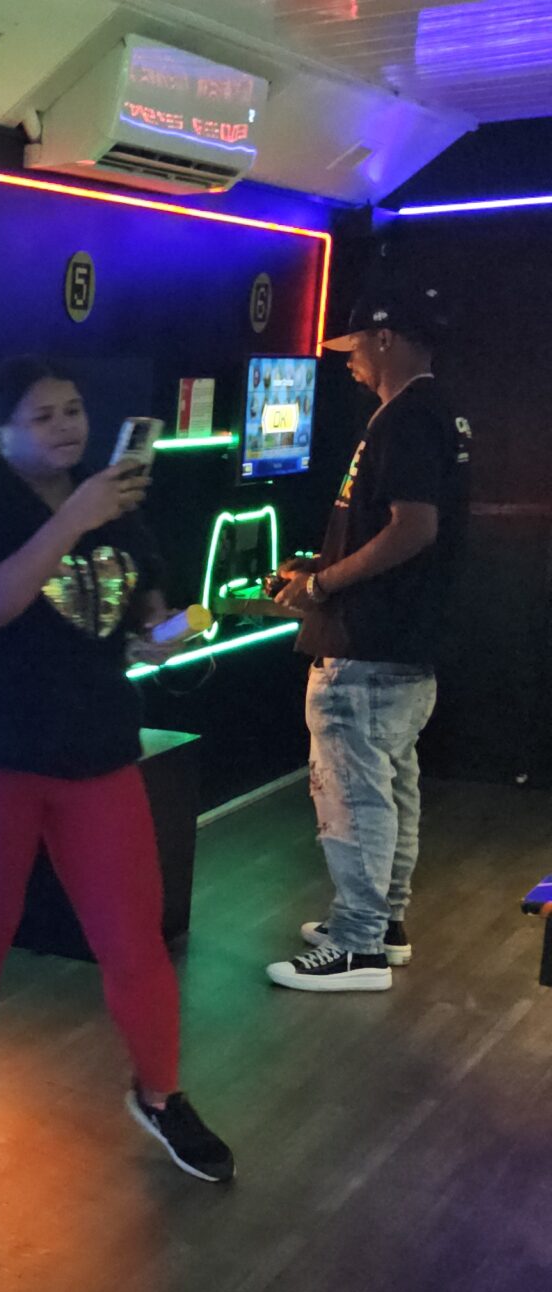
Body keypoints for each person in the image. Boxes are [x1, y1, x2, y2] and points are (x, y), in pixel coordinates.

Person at [0, 355, 236, 1184]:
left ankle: (161, 1094)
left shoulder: (118, 507)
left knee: (134, 937)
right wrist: (75, 518)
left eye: (74, 409)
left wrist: (187, 624)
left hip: (99, 753)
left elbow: (149, 623)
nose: (67, 426)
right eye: (44, 415)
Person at [268, 285, 470, 995]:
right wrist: (320, 567)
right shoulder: (434, 411)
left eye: (353, 346)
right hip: (404, 644)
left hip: (369, 644)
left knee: (353, 791)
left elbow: (413, 528)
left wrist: (323, 586)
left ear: (384, 339)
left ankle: (357, 946)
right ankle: (383, 924)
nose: (349, 362)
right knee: (390, 784)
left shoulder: (406, 416)